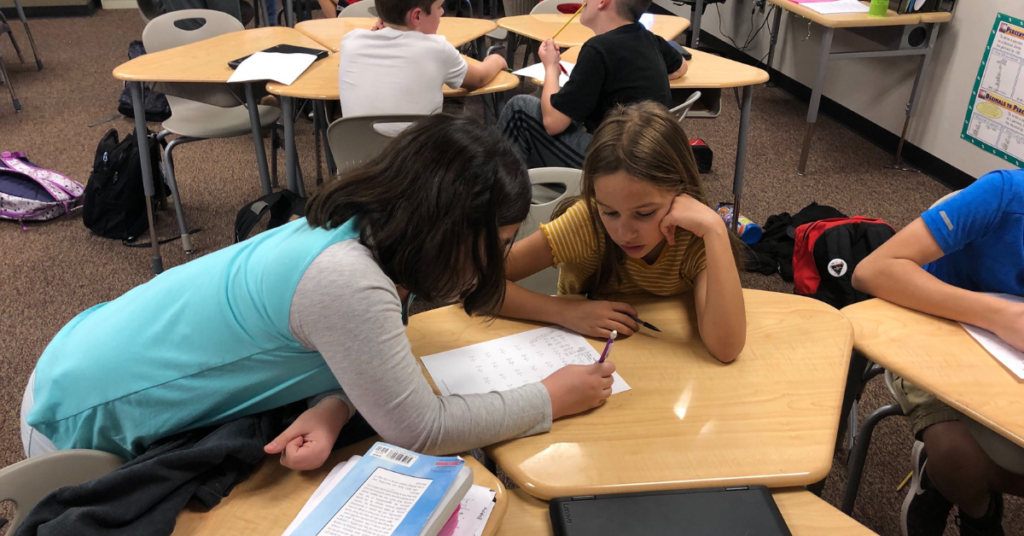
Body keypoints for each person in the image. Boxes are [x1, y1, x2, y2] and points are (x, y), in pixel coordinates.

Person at [21, 115, 616, 472]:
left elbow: (326, 342)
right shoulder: (348, 279)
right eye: (499, 241)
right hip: (77, 422)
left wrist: (335, 402)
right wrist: (550, 397)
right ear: (446, 228)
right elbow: (421, 429)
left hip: (83, 355)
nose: (498, 262)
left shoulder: (359, 227)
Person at [501, 102, 745, 363]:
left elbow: (726, 348)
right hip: (584, 357)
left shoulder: (696, 236)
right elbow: (477, 284)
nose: (625, 233)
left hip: (663, 366)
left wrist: (716, 229)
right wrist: (565, 311)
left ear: (680, 190)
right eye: (610, 212)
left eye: (645, 213)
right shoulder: (587, 223)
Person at [853, 169, 1024, 536]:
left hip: (1011, 364)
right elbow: (872, 271)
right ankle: (977, 509)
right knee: (956, 453)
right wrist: (1000, 316)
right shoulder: (1004, 195)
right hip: (931, 329)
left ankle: (950, 481)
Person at [497, 0, 687, 169]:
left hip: (619, 164)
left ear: (603, 2)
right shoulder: (650, 38)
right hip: (651, 155)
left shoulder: (597, 49)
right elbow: (681, 67)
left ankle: (498, 197)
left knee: (519, 108)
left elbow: (553, 123)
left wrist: (551, 68)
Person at [337, 0, 508, 119]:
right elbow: (479, 78)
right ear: (417, 16)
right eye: (439, 7)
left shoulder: (350, 42)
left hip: (356, 168)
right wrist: (497, 59)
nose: (442, 12)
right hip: (420, 168)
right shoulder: (437, 49)